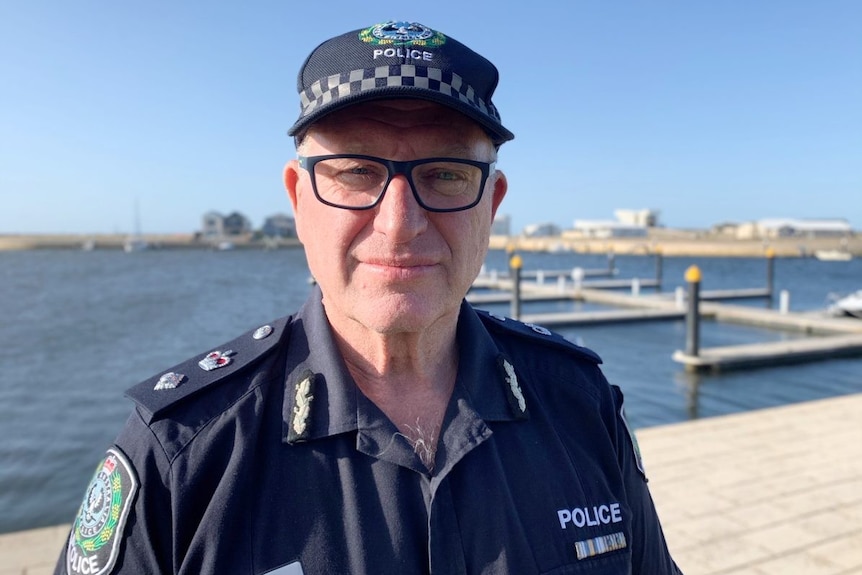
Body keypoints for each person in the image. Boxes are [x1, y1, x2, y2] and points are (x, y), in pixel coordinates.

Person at [55, 20, 682, 575]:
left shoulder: (578, 402)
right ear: (299, 201)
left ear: (490, 207)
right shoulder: (185, 453)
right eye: (356, 173)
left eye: (445, 174)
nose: (399, 222)